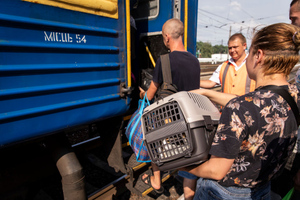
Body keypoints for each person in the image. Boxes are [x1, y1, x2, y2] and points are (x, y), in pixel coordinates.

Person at [181, 23, 300, 200]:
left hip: (224, 193)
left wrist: (182, 168)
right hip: (262, 188)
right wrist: (207, 92)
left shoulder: (240, 107)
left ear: (258, 55)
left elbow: (216, 171)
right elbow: (255, 106)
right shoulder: (294, 95)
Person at [139, 18, 200, 198]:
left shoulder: (164, 59)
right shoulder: (194, 60)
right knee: (190, 155)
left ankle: (156, 180)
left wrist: (141, 94)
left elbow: (151, 94)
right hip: (188, 118)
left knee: (151, 137)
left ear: (167, 37)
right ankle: (189, 193)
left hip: (168, 120)